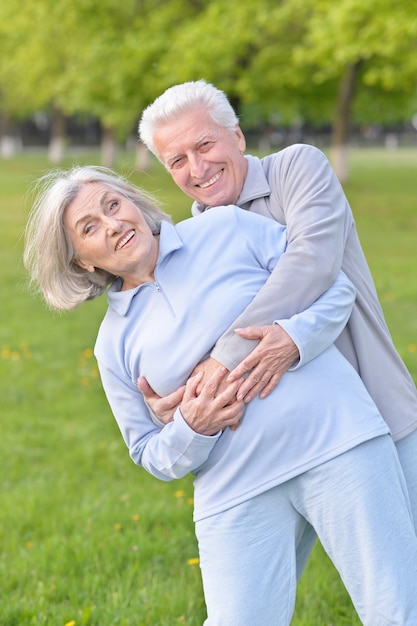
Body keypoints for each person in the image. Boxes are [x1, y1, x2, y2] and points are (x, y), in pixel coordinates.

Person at [24, 165, 417, 625]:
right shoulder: (112, 346)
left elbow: (331, 285)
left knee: (396, 608)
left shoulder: (224, 227)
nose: (113, 224)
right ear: (82, 262)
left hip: (336, 443)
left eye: (113, 205)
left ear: (134, 204)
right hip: (235, 489)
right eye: (89, 228)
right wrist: (194, 427)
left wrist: (293, 339)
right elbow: (148, 451)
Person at [138, 80, 417, 529]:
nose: (197, 168)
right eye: (177, 160)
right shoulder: (189, 246)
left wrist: (222, 359)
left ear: (238, 136)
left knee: (403, 587)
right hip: (267, 456)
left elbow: (312, 264)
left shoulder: (297, 168)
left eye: (204, 144)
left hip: (375, 413)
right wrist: (177, 401)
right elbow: (182, 339)